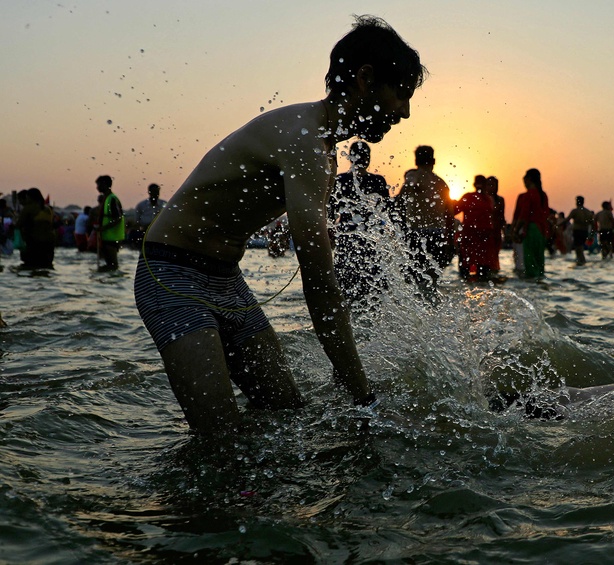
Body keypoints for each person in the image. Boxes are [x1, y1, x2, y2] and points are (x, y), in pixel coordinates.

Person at [134, 15, 425, 432]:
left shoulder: (322, 149)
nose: (406, 111)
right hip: (171, 275)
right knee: (221, 439)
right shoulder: (304, 141)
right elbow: (321, 286)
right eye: (401, 94)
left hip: (226, 280)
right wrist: (364, 400)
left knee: (285, 411)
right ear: (365, 79)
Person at [327, 140, 391, 304]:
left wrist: (329, 236)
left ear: (350, 158)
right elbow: (387, 214)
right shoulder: (378, 181)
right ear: (368, 159)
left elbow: (330, 214)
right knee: (374, 291)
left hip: (346, 241)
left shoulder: (340, 180)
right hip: (371, 242)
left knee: (344, 292)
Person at [395, 145, 454, 297]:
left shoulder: (413, 177)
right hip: (437, 236)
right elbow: (449, 215)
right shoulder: (442, 184)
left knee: (413, 280)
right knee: (432, 279)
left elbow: (399, 204)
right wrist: (451, 242)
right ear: (434, 161)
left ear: (415, 160)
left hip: (416, 235)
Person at [454, 175, 497, 281]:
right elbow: (455, 210)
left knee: (472, 269)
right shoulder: (486, 199)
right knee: (478, 270)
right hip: (476, 238)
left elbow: (454, 210)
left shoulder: (486, 199)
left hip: (480, 238)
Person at [511, 168, 550, 279]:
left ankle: (531, 288)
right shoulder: (543, 195)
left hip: (531, 230)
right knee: (539, 261)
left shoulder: (529, 195)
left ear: (528, 180)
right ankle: (540, 285)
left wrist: (514, 231)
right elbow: (545, 215)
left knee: (530, 261)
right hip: (541, 231)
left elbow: (523, 216)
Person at [15, 188, 56, 270]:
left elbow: (18, 224)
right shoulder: (48, 209)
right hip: (50, 242)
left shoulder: (29, 208)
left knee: (31, 267)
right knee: (46, 267)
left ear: (30, 197)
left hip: (34, 242)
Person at [95, 175, 125, 271]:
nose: (97, 187)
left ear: (105, 185)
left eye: (98, 185)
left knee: (112, 265)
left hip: (112, 237)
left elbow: (118, 218)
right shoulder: (106, 198)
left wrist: (104, 228)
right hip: (107, 236)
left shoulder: (112, 199)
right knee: (109, 264)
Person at [485, 176, 505, 275]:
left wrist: (505, 232)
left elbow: (502, 218)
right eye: (489, 184)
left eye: (494, 185)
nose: (491, 187)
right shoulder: (483, 200)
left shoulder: (500, 200)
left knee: (495, 257)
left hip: (496, 233)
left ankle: (494, 274)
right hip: (485, 233)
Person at [567, 196, 595, 266]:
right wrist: (591, 234)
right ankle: (581, 261)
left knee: (578, 248)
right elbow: (593, 224)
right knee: (580, 247)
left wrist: (557, 225)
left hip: (577, 231)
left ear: (577, 201)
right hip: (584, 232)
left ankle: (581, 261)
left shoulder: (575, 211)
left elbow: (567, 219)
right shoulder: (588, 212)